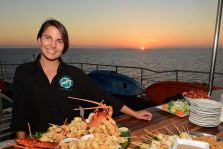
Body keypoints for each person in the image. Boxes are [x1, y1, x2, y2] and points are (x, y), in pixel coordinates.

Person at [11, 19, 152, 138]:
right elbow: (19, 114)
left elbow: (102, 96)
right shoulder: (23, 72)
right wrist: (21, 147)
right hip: (38, 143)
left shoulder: (74, 74)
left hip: (71, 142)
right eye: (48, 38)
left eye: (59, 41)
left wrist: (134, 112)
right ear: (39, 39)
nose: (53, 45)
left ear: (64, 46)